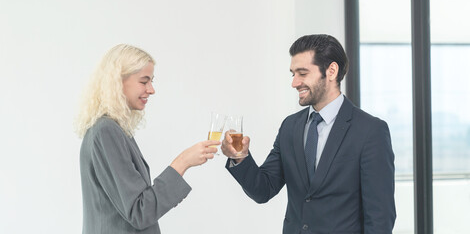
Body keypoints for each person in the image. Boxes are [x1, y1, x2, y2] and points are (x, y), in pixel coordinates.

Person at [221, 34, 396, 233]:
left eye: (302, 73)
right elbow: (263, 189)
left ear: (331, 71)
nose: (294, 83)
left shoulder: (370, 131)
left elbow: (380, 218)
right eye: (293, 74)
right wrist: (240, 157)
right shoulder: (290, 126)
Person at [75, 44, 219, 234]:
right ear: (118, 82)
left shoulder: (114, 129)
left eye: (151, 81)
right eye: (144, 81)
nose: (151, 90)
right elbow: (139, 212)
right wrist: (182, 162)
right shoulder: (106, 131)